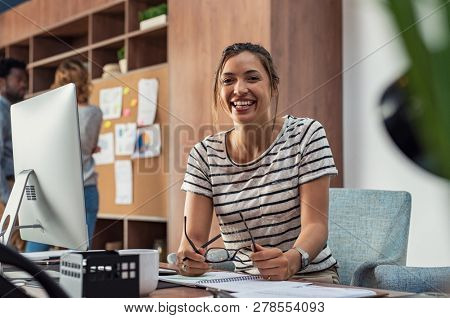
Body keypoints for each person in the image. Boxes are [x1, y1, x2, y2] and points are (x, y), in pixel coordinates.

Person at [176, 43, 340, 283]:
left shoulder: (307, 134)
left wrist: (291, 261)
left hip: (310, 277)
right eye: (228, 80)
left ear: (273, 86)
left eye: (252, 78)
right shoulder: (204, 154)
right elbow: (192, 238)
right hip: (245, 284)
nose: (239, 89)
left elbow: (316, 225)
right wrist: (188, 259)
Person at [25, 59, 102, 252]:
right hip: (86, 189)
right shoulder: (94, 113)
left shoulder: (50, 113)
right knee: (78, 259)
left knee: (34, 255)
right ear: (85, 82)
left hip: (54, 191)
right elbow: (89, 146)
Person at [0, 58, 28, 211]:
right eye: (18, 79)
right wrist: (7, 198)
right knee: (16, 236)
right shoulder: (1, 110)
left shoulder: (14, 110)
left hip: (15, 186)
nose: (24, 84)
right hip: (7, 188)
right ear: (2, 82)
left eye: (25, 80)